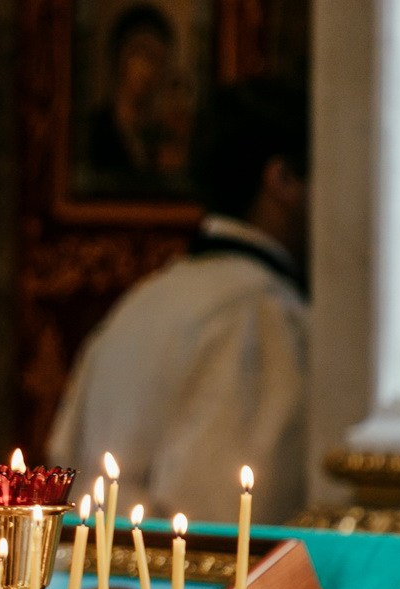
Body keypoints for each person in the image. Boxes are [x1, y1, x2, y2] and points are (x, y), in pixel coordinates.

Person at [49, 77, 310, 523]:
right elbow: (236, 529)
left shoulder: (144, 301)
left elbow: (63, 465)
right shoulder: (262, 314)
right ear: (282, 179)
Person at [83, 4, 192, 196]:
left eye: (157, 59)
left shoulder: (162, 134)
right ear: (120, 58)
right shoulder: (94, 129)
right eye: (140, 54)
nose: (147, 69)